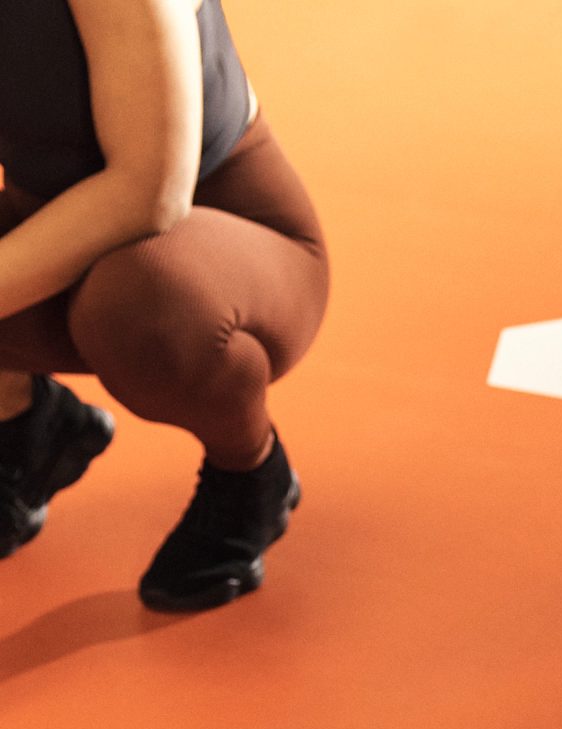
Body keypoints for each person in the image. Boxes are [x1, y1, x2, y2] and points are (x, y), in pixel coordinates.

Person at [0, 0, 327, 610]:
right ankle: (29, 431)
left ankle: (249, 473)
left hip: (220, 255)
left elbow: (148, 191)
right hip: (55, 220)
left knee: (141, 305)